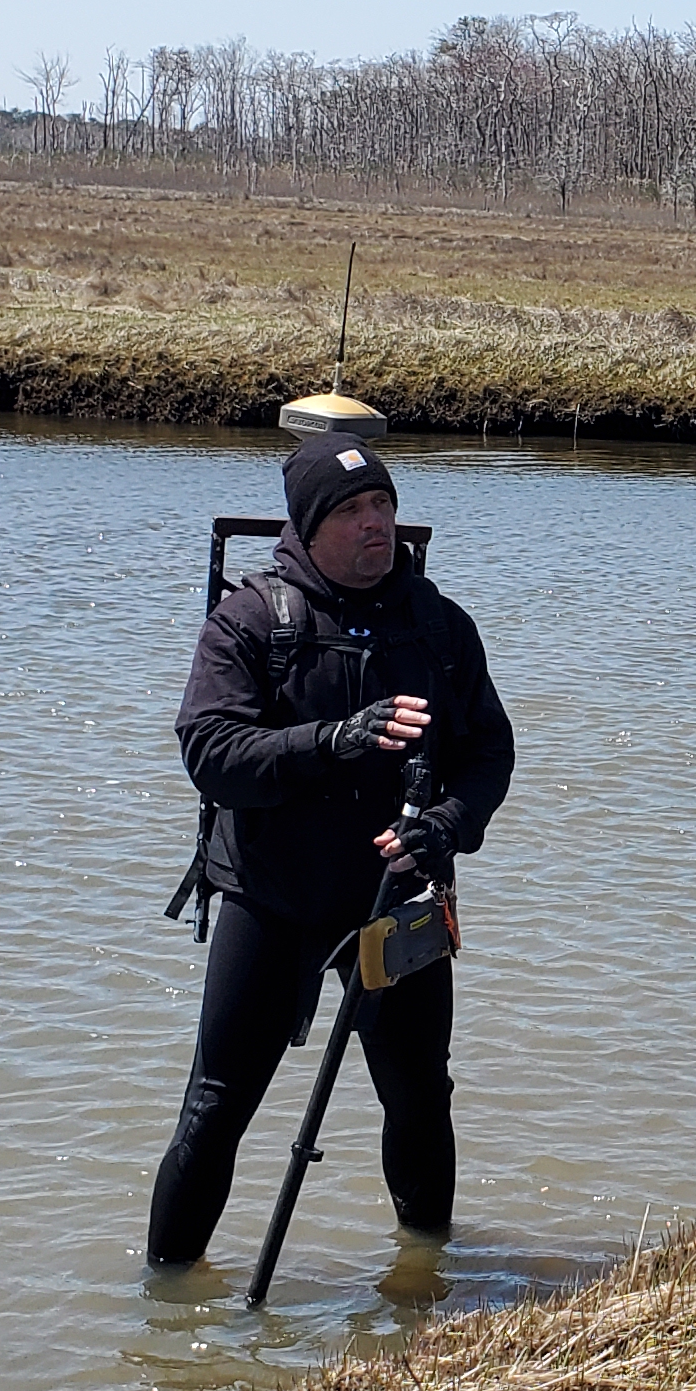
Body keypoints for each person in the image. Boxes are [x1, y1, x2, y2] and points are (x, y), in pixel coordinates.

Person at [146, 431, 514, 1271]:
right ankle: (163, 1310)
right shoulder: (249, 622)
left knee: (421, 1099)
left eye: (383, 504)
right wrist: (335, 740)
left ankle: (424, 1282)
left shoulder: (441, 626)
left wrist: (447, 826)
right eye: (351, 511)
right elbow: (211, 753)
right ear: (308, 527)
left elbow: (490, 754)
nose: (375, 523)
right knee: (213, 1109)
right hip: (273, 898)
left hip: (398, 901)